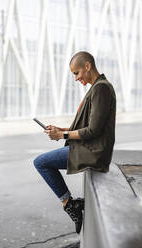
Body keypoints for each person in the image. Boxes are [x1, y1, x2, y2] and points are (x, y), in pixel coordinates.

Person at [33, 51, 116, 234]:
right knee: (42, 162)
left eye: (77, 73)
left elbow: (93, 130)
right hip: (90, 147)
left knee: (40, 163)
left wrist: (62, 136)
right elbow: (88, 125)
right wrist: (62, 130)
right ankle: (72, 204)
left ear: (88, 66)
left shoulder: (101, 88)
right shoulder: (97, 87)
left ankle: (70, 205)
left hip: (93, 150)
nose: (76, 78)